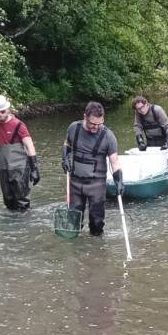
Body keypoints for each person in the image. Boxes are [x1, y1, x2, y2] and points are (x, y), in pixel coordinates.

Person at [61, 101, 123, 237]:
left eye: (99, 124)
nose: (96, 127)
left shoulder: (108, 136)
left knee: (96, 222)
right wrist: (65, 158)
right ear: (85, 117)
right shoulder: (73, 128)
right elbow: (67, 143)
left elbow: (114, 161)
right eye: (92, 124)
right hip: (75, 182)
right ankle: (75, 249)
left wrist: (119, 181)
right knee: (74, 220)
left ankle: (96, 249)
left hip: (96, 184)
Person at [0, 95, 40, 211]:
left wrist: (34, 168)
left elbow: (29, 145)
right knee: (8, 200)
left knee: (22, 199)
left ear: (8, 110)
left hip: (19, 167)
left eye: (2, 111)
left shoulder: (19, 125)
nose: (0, 114)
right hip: (4, 166)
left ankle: (24, 223)